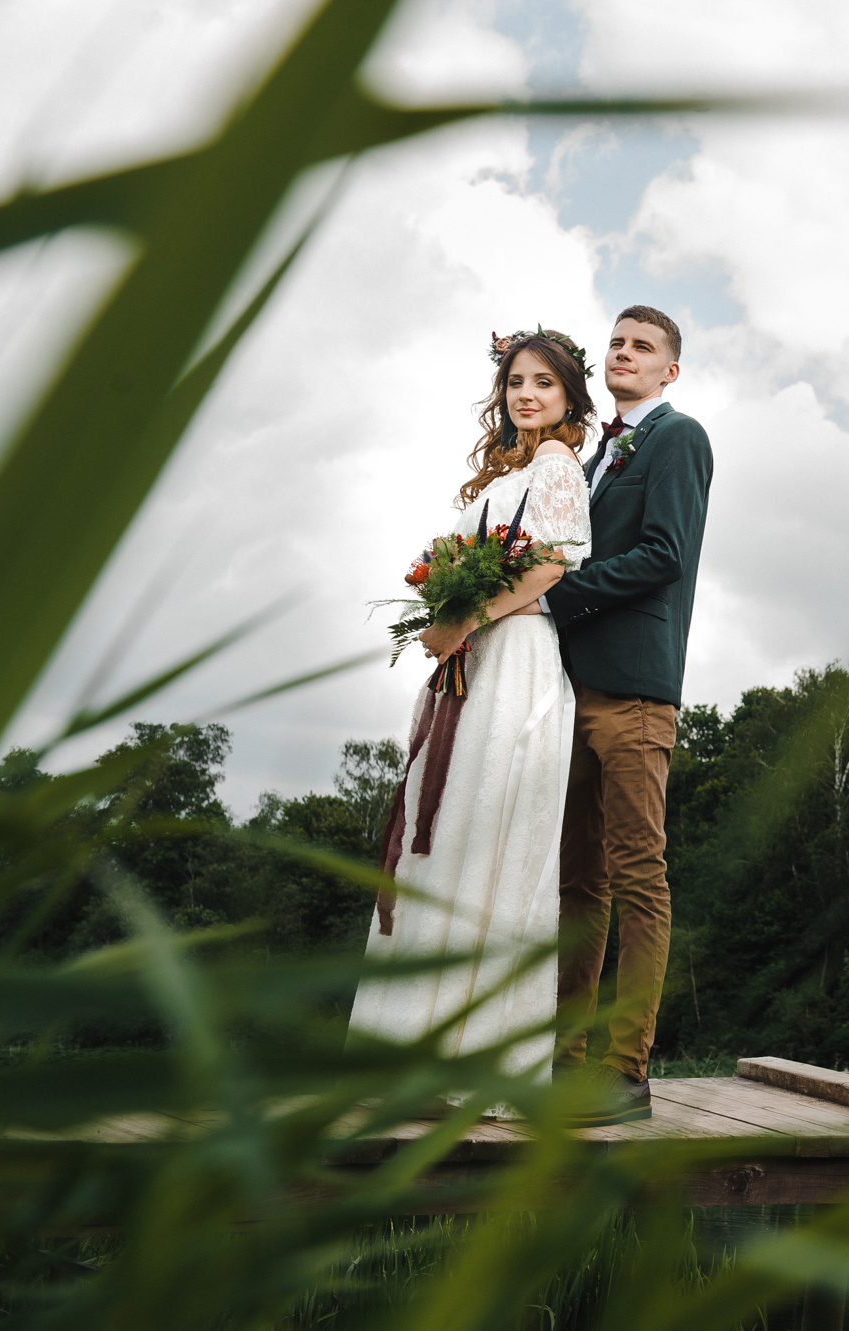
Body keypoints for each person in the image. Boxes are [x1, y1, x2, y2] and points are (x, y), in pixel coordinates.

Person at [346, 330, 595, 1103]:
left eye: (544, 384)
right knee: (446, 839)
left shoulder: (556, 468)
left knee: (480, 835)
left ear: (568, 397)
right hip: (478, 660)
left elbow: (551, 563)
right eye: (517, 381)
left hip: (514, 657)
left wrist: (467, 618)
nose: (527, 394)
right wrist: (445, 615)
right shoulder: (510, 470)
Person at [547, 305, 714, 1126]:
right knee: (580, 884)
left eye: (642, 346)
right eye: (616, 342)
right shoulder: (594, 458)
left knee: (639, 880)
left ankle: (625, 1072)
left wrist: (560, 595)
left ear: (669, 371)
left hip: (637, 693)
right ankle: (561, 1064)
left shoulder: (678, 438)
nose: (624, 353)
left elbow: (665, 554)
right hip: (571, 691)